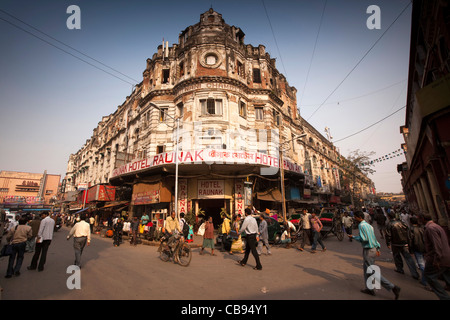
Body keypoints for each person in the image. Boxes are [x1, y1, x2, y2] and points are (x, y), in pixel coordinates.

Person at [349, 211, 401, 300]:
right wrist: (377, 247)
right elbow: (373, 237)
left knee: (371, 271)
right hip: (372, 249)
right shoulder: (369, 225)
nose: (354, 218)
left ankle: (392, 287)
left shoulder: (361, 226)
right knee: (367, 270)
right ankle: (369, 288)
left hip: (368, 250)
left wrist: (354, 237)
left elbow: (364, 239)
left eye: (355, 217)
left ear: (358, 217)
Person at [418, 213, 450, 300]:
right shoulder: (437, 226)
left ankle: (444, 297)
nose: (419, 220)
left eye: (419, 218)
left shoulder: (430, 228)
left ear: (423, 218)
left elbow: (437, 245)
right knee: (446, 274)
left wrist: (437, 259)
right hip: (446, 256)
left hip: (438, 257)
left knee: (429, 276)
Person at [385, 211, 420, 280]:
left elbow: (388, 235)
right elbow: (408, 231)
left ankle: (400, 269)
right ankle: (414, 273)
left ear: (389, 217)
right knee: (408, 258)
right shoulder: (402, 222)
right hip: (405, 243)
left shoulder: (390, 224)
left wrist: (388, 243)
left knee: (397, 256)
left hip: (395, 243)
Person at [409, 216, 430, 290]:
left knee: (421, 264)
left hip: (417, 248)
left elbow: (411, 240)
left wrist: (410, 250)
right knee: (424, 263)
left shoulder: (411, 229)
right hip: (424, 248)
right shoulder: (422, 228)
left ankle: (425, 280)